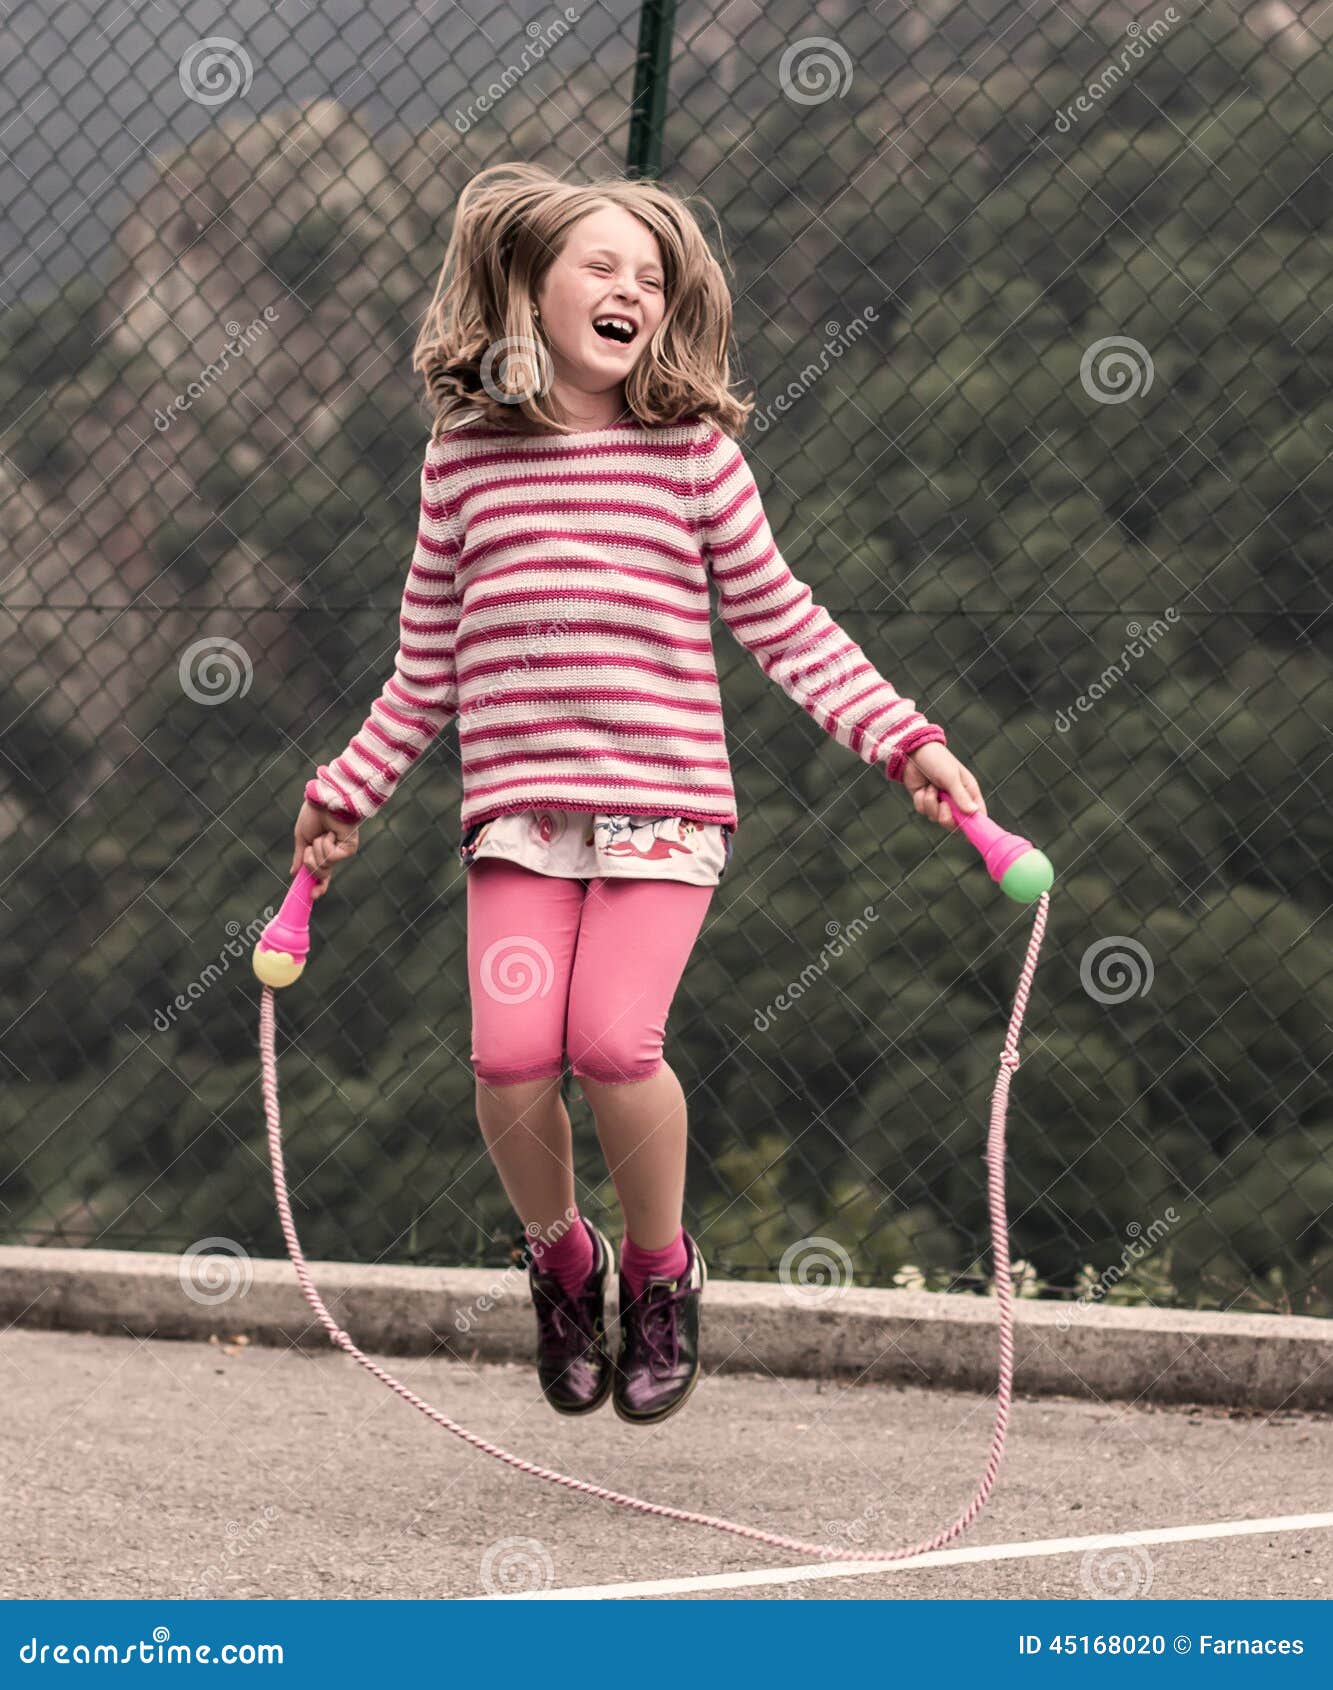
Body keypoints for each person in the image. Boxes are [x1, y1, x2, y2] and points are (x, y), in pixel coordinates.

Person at [290, 161, 987, 1428]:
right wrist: (347, 788)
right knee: (509, 1061)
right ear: (527, 290)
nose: (629, 291)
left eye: (650, 279)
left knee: (613, 1044)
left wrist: (906, 742)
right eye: (601, 267)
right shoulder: (463, 464)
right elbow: (423, 669)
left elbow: (789, 630)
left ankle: (661, 1275)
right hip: (519, 816)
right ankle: (566, 1264)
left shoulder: (695, 461)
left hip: (663, 810)